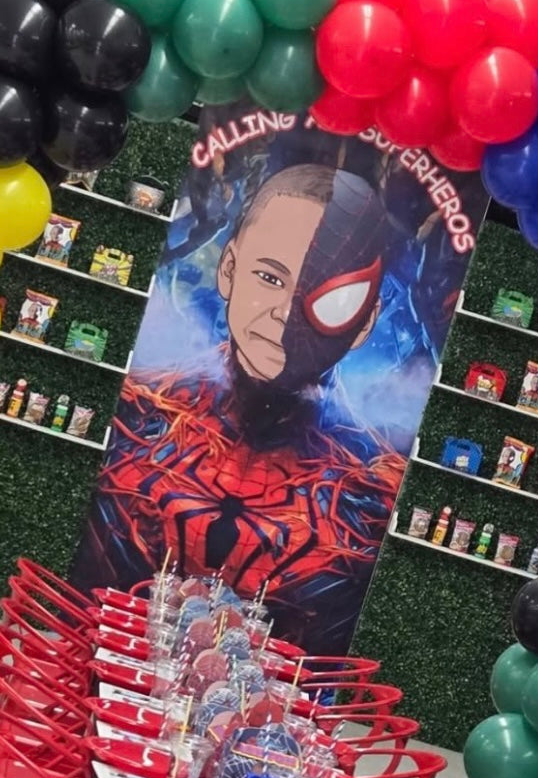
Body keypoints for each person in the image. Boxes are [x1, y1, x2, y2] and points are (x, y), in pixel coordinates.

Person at [83, 163, 406, 652]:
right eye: (270, 277)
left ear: (364, 323)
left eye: (328, 300)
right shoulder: (139, 413)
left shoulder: (371, 489)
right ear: (229, 269)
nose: (285, 314)